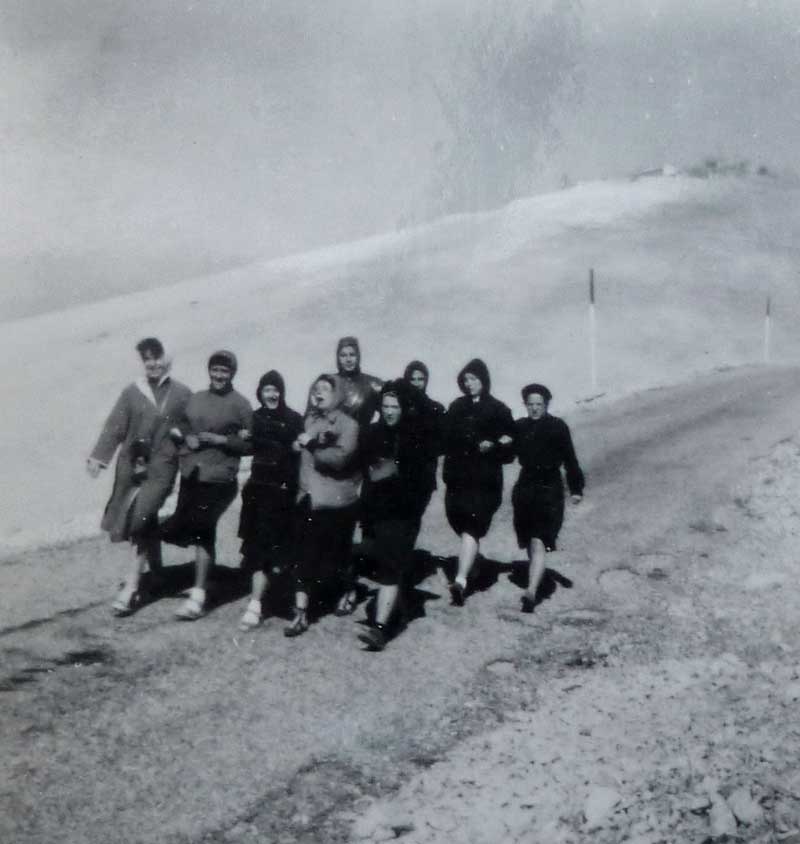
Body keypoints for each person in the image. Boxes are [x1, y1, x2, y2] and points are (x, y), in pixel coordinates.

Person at [87, 338, 192, 615]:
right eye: (147, 359)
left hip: (163, 468)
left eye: (156, 357)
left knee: (140, 518)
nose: (152, 363)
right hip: (132, 467)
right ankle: (157, 574)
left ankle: (132, 587)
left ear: (166, 359)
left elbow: (192, 429)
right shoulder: (132, 392)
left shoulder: (181, 393)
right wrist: (99, 458)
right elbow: (115, 427)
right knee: (146, 519)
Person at [160, 350, 253, 620]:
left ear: (232, 373)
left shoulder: (241, 404)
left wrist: (223, 441)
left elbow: (252, 444)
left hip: (221, 479)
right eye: (215, 370)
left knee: (203, 528)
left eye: (225, 371)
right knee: (189, 528)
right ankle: (195, 581)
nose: (219, 375)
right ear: (209, 371)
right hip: (192, 474)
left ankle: (198, 597)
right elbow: (176, 424)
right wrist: (186, 437)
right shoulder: (196, 398)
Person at [356, 380, 438, 651]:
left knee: (390, 568)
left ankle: (379, 629)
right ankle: (397, 611)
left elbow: (424, 480)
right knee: (387, 563)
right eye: (386, 405)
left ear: (404, 407)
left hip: (405, 513)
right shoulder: (372, 433)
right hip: (377, 511)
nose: (390, 411)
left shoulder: (417, 434)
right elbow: (363, 471)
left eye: (395, 406)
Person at [284, 374, 361, 637]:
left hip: (336, 501)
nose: (318, 393)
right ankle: (301, 612)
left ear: (337, 394)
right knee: (302, 554)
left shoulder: (349, 424)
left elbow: (340, 459)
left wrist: (312, 444)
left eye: (325, 389)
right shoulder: (309, 421)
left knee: (336, 555)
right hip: (307, 498)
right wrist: (298, 447)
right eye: (315, 388)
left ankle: (349, 589)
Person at [442, 358, 515, 606]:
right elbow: (447, 437)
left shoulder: (499, 409)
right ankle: (472, 562)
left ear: (484, 380)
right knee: (459, 522)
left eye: (473, 379)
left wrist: (494, 444)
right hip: (458, 479)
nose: (469, 384)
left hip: (485, 480)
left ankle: (460, 581)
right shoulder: (456, 407)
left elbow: (509, 448)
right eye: (465, 380)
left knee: (472, 526)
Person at [236, 370, 303, 630]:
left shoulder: (294, 418)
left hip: (285, 492)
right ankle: (255, 605)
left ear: (281, 392)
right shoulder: (254, 418)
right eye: (267, 390)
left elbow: (298, 449)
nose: (272, 394)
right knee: (258, 549)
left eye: (275, 389)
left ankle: (281, 598)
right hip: (259, 492)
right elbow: (245, 447)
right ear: (260, 393)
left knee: (284, 549)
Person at [512, 383, 584, 612]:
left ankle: (531, 591)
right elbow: (506, 454)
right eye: (530, 404)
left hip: (549, 488)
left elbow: (570, 460)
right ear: (525, 405)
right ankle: (536, 576)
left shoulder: (557, 427)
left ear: (546, 404)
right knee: (529, 539)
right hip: (525, 487)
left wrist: (576, 489)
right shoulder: (519, 426)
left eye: (539, 404)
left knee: (539, 539)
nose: (534, 408)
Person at [403, 359, 445, 516]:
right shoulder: (397, 407)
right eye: (412, 379)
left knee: (414, 519)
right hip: (398, 474)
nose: (416, 383)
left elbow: (441, 444)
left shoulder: (436, 408)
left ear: (426, 381)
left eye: (420, 379)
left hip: (423, 476)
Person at [334, 336, 383, 430]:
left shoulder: (372, 383)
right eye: (343, 355)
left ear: (358, 356)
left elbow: (390, 412)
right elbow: (311, 417)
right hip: (333, 441)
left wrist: (375, 433)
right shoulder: (328, 383)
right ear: (338, 358)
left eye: (352, 354)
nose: (348, 360)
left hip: (364, 441)